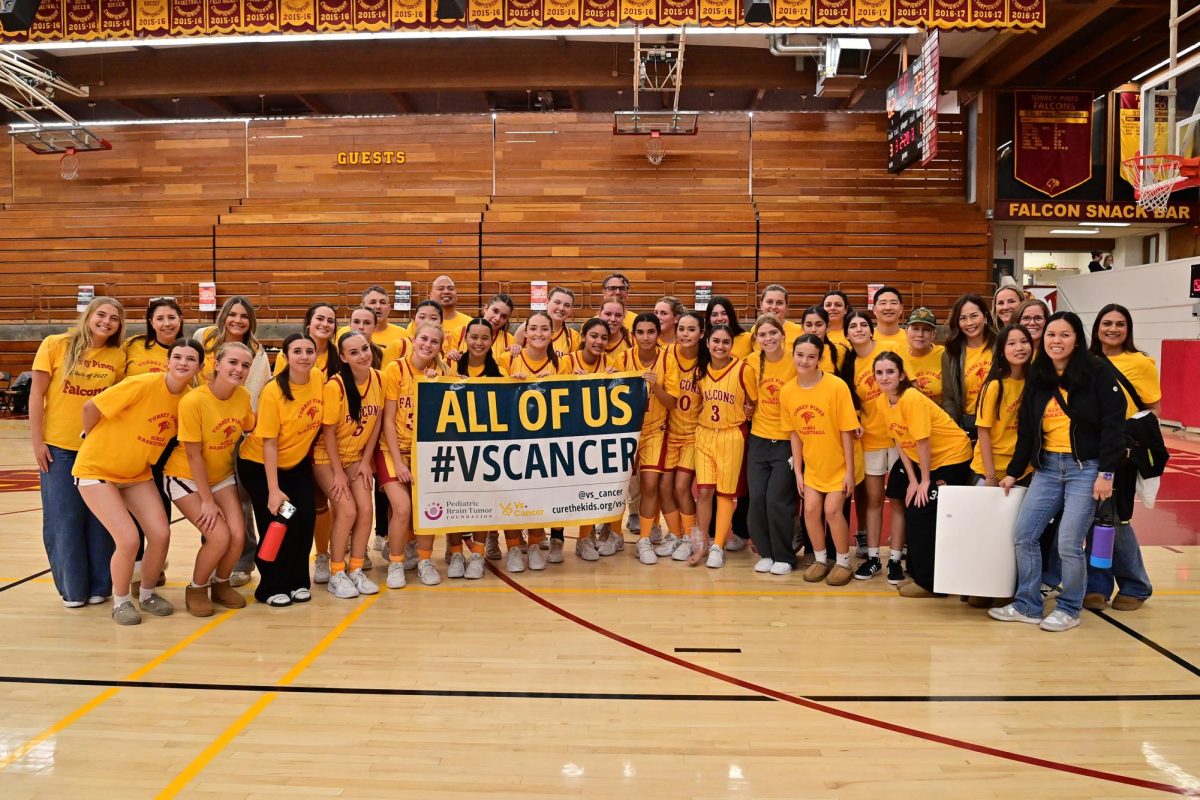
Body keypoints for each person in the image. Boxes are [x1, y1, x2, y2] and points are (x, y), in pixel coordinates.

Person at [991, 311, 1125, 632]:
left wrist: (1106, 473)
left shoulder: (1097, 371)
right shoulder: (1040, 374)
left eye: (1064, 335)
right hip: (1048, 468)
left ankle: (1068, 608)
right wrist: (1013, 470)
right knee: (1024, 535)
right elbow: (1027, 429)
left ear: (1077, 338)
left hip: (1085, 469)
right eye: (1051, 335)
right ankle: (1028, 604)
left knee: (1068, 543)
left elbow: (1113, 424)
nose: (1056, 341)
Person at [73, 339, 203, 624]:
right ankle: (120, 602)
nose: (183, 363)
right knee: (129, 540)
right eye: (177, 357)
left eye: (190, 359)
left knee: (160, 534)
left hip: (136, 474)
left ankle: (147, 594)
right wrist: (91, 436)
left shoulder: (189, 399)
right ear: (168, 361)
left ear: (199, 367)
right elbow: (89, 407)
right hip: (97, 471)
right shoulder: (143, 384)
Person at [31, 297, 127, 609]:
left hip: (98, 450)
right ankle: (73, 590)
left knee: (100, 520)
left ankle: (100, 585)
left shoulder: (117, 356)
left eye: (114, 318)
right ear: (88, 315)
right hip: (59, 448)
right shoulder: (55, 344)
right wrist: (37, 441)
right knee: (64, 518)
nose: (106, 322)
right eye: (101, 314)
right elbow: (36, 395)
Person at [162, 342, 256, 617]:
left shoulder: (242, 397)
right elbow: (193, 456)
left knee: (239, 536)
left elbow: (252, 425)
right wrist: (206, 501)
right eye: (233, 363)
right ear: (217, 363)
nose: (239, 369)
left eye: (245, 365)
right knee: (218, 537)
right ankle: (197, 587)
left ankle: (221, 584)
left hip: (221, 475)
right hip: (185, 477)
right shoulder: (193, 401)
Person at [873, 350, 974, 599]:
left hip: (952, 457)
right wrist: (913, 480)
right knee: (913, 510)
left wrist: (925, 481)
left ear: (902, 375)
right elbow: (900, 441)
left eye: (890, 372)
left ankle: (932, 584)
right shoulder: (882, 402)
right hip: (923, 463)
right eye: (879, 372)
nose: (884, 377)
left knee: (923, 513)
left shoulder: (912, 399)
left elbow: (923, 442)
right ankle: (918, 576)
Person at [237, 333, 324, 607]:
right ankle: (271, 586)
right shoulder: (273, 391)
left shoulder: (318, 379)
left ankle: (298, 581)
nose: (304, 356)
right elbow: (269, 444)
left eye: (309, 351)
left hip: (294, 465)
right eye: (297, 351)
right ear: (285, 356)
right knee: (278, 523)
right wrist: (274, 491)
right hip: (261, 466)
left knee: (304, 519)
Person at [1084, 304, 1159, 612]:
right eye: (1106, 323)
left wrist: (1135, 444)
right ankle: (1098, 586)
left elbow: (1152, 410)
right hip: (1090, 449)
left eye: (1120, 324)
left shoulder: (1141, 363)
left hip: (1122, 452)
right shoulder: (1085, 362)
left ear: (1128, 330)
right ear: (1097, 327)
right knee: (1093, 520)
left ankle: (1135, 585)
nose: (1112, 329)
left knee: (1115, 519)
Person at [781, 334, 860, 584]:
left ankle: (844, 562)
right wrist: (798, 473)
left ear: (819, 359)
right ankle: (820, 559)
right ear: (793, 355)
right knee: (812, 510)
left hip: (840, 463)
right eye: (800, 355)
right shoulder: (787, 391)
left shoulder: (836, 386)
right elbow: (794, 433)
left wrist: (849, 471)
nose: (804, 360)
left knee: (833, 509)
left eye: (811, 356)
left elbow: (847, 430)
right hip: (814, 465)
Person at [380, 323, 451, 587]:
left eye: (434, 341)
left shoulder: (442, 372)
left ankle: (424, 560)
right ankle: (396, 563)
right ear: (413, 338)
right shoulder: (394, 369)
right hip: (392, 448)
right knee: (402, 508)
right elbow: (387, 420)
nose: (428, 345)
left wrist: (436, 386)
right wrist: (398, 462)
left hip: (427, 451)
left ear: (440, 347)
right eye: (424, 338)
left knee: (428, 506)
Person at [315, 332, 384, 599]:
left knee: (366, 511)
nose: (362, 355)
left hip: (357, 458)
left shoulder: (379, 378)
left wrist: (366, 462)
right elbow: (328, 432)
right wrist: (338, 474)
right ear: (343, 357)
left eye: (365, 349)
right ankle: (336, 572)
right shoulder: (335, 386)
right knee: (346, 510)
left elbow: (377, 420)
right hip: (327, 459)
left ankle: (356, 568)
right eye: (354, 352)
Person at [499, 311, 565, 569]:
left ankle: (536, 545)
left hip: (548, 441)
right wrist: (508, 385)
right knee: (513, 493)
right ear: (524, 332)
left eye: (544, 329)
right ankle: (514, 548)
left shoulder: (563, 364)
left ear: (552, 334)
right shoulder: (507, 359)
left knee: (540, 494)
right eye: (533, 328)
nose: (539, 333)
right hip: (513, 440)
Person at [837, 311, 899, 582]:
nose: (859, 329)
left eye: (864, 324)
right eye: (853, 326)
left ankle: (896, 558)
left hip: (898, 439)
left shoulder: (891, 350)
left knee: (898, 500)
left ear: (871, 329)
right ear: (847, 334)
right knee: (874, 500)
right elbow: (850, 403)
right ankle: (874, 557)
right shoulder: (849, 365)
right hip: (871, 440)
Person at [688, 324, 757, 568]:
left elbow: (754, 404)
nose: (720, 346)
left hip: (732, 435)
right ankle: (703, 544)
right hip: (704, 434)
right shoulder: (700, 371)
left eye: (725, 342)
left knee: (725, 494)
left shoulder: (742, 370)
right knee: (704, 491)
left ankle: (718, 545)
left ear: (732, 345)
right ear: (707, 343)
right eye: (715, 341)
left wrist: (749, 412)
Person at [621, 313, 677, 564]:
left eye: (650, 332)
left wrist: (655, 387)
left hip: (655, 430)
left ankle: (644, 539)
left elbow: (672, 403)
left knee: (650, 484)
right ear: (634, 335)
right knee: (618, 484)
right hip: (628, 432)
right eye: (640, 332)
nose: (645, 337)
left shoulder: (669, 359)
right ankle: (607, 533)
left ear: (658, 334)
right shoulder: (622, 358)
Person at [745, 315, 799, 575]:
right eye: (762, 335)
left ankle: (784, 556)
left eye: (772, 333)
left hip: (788, 439)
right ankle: (765, 551)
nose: (768, 339)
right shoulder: (752, 362)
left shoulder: (795, 359)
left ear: (782, 334)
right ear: (756, 339)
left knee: (777, 499)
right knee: (756, 499)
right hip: (759, 437)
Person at [455, 318, 506, 572]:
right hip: (453, 447)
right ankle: (454, 553)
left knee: (483, 499)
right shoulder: (450, 366)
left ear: (492, 340)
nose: (479, 342)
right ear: (466, 338)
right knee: (453, 500)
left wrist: (516, 383)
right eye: (474, 337)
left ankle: (477, 554)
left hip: (487, 449)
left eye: (484, 338)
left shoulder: (499, 372)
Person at [654, 311, 704, 561]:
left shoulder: (707, 361)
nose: (685, 334)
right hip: (669, 431)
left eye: (691, 329)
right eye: (682, 328)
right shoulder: (666, 355)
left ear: (701, 333)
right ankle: (674, 534)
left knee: (682, 487)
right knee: (664, 488)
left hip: (694, 434)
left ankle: (689, 537)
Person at [972, 324, 1034, 488]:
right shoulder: (994, 386)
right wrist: (990, 476)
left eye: (1024, 341)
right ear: (1001, 350)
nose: (1019, 348)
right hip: (991, 471)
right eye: (1011, 343)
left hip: (1023, 470)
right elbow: (983, 432)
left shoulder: (1033, 381)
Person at [941, 293, 997, 437]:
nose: (969, 323)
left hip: (1000, 422)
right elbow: (949, 398)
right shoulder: (951, 354)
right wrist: (955, 430)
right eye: (963, 318)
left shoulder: (1001, 346)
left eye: (974, 316)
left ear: (985, 317)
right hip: (969, 425)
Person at [197, 296, 270, 397]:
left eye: (244, 316)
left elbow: (253, 395)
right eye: (232, 314)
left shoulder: (258, 354)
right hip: (200, 404)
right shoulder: (202, 336)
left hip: (234, 409)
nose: (238, 320)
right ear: (224, 316)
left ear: (251, 321)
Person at [124, 297, 184, 376]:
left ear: (180, 320)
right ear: (151, 323)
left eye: (171, 318)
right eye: (160, 319)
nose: (167, 323)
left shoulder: (188, 351)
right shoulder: (132, 344)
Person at [515, 286, 578, 357]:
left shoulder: (573, 336)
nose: (561, 308)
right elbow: (513, 356)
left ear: (571, 310)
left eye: (567, 305)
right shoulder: (527, 327)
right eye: (557, 302)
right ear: (547, 302)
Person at [412, 275, 471, 348]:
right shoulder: (416, 324)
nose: (446, 292)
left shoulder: (469, 323)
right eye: (440, 289)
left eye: (450, 288)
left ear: (456, 295)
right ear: (431, 296)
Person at [903, 308, 945, 406]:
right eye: (915, 329)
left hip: (941, 415)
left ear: (933, 334)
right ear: (906, 331)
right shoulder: (900, 358)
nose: (920, 334)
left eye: (926, 330)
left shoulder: (945, 355)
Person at [349, 285, 410, 350]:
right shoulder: (344, 333)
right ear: (362, 306)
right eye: (373, 302)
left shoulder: (403, 334)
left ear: (389, 308)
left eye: (382, 302)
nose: (378, 306)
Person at [752, 285, 804, 353]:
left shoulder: (799, 331)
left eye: (779, 303)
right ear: (761, 305)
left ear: (786, 307)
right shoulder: (754, 330)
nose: (774, 307)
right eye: (769, 302)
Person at [871, 286, 907, 354]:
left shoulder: (911, 339)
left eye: (893, 303)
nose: (888, 307)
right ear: (874, 309)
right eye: (883, 303)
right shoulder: (866, 338)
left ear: (901, 308)